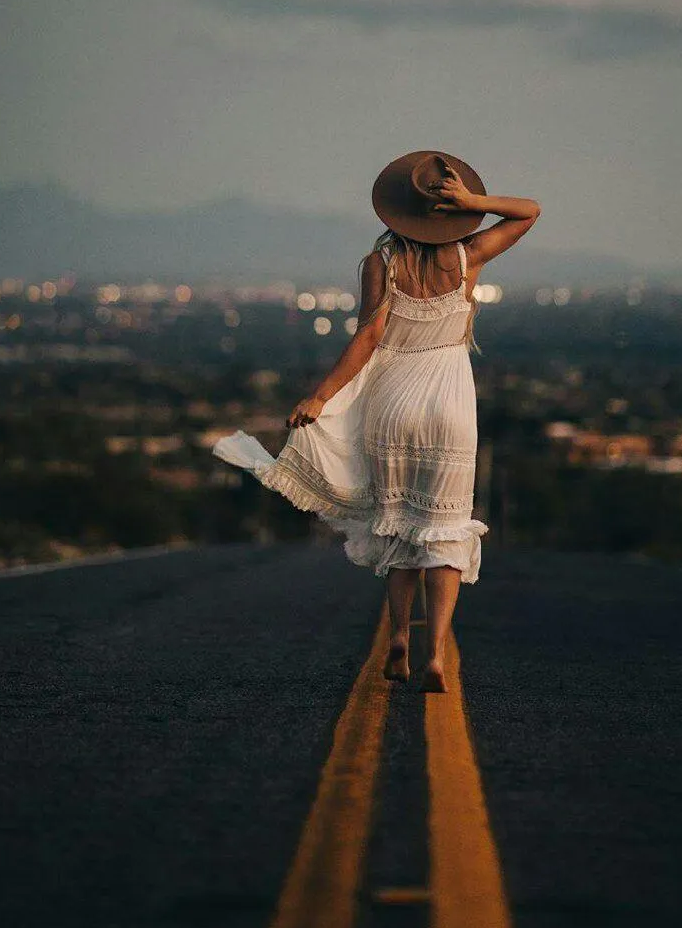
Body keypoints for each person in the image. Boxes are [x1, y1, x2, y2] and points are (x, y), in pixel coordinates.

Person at [212, 152, 540, 691]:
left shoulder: (380, 264)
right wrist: (475, 203)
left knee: (399, 525)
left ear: (395, 212)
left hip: (394, 405)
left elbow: (367, 338)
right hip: (451, 406)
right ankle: (435, 653)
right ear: (449, 212)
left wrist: (319, 398)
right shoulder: (465, 258)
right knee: (445, 531)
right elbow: (528, 211)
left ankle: (398, 640)